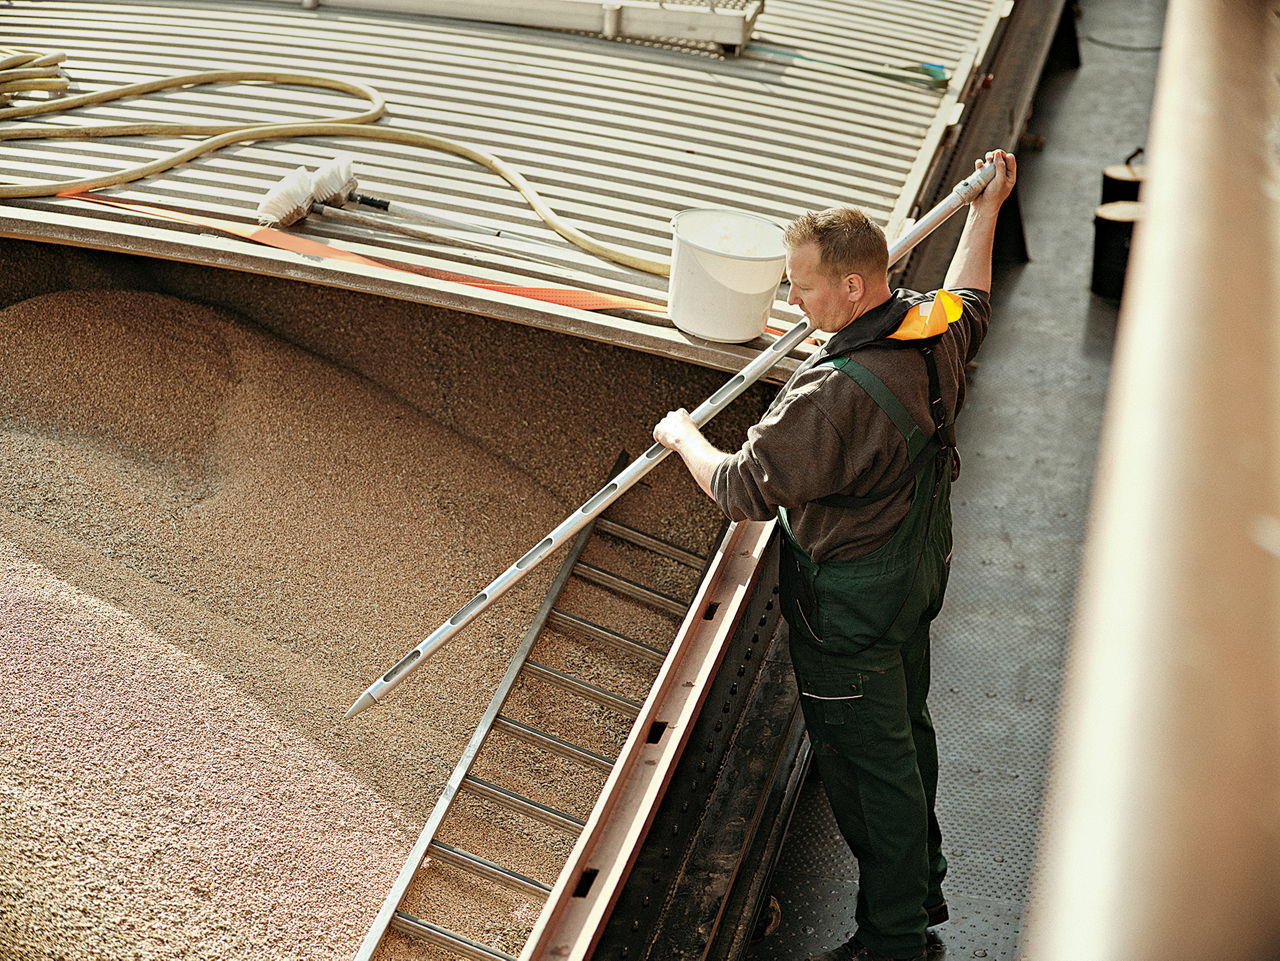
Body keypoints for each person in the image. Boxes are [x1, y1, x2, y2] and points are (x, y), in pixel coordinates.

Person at [652, 150, 1017, 961]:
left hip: (848, 608)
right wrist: (985, 212)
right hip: (913, 576)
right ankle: (919, 890)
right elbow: (977, 299)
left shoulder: (831, 397)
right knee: (906, 730)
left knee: (867, 768)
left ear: (853, 287)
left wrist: (681, 435)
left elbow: (741, 488)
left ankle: (894, 939)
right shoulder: (933, 329)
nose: (790, 299)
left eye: (802, 285)